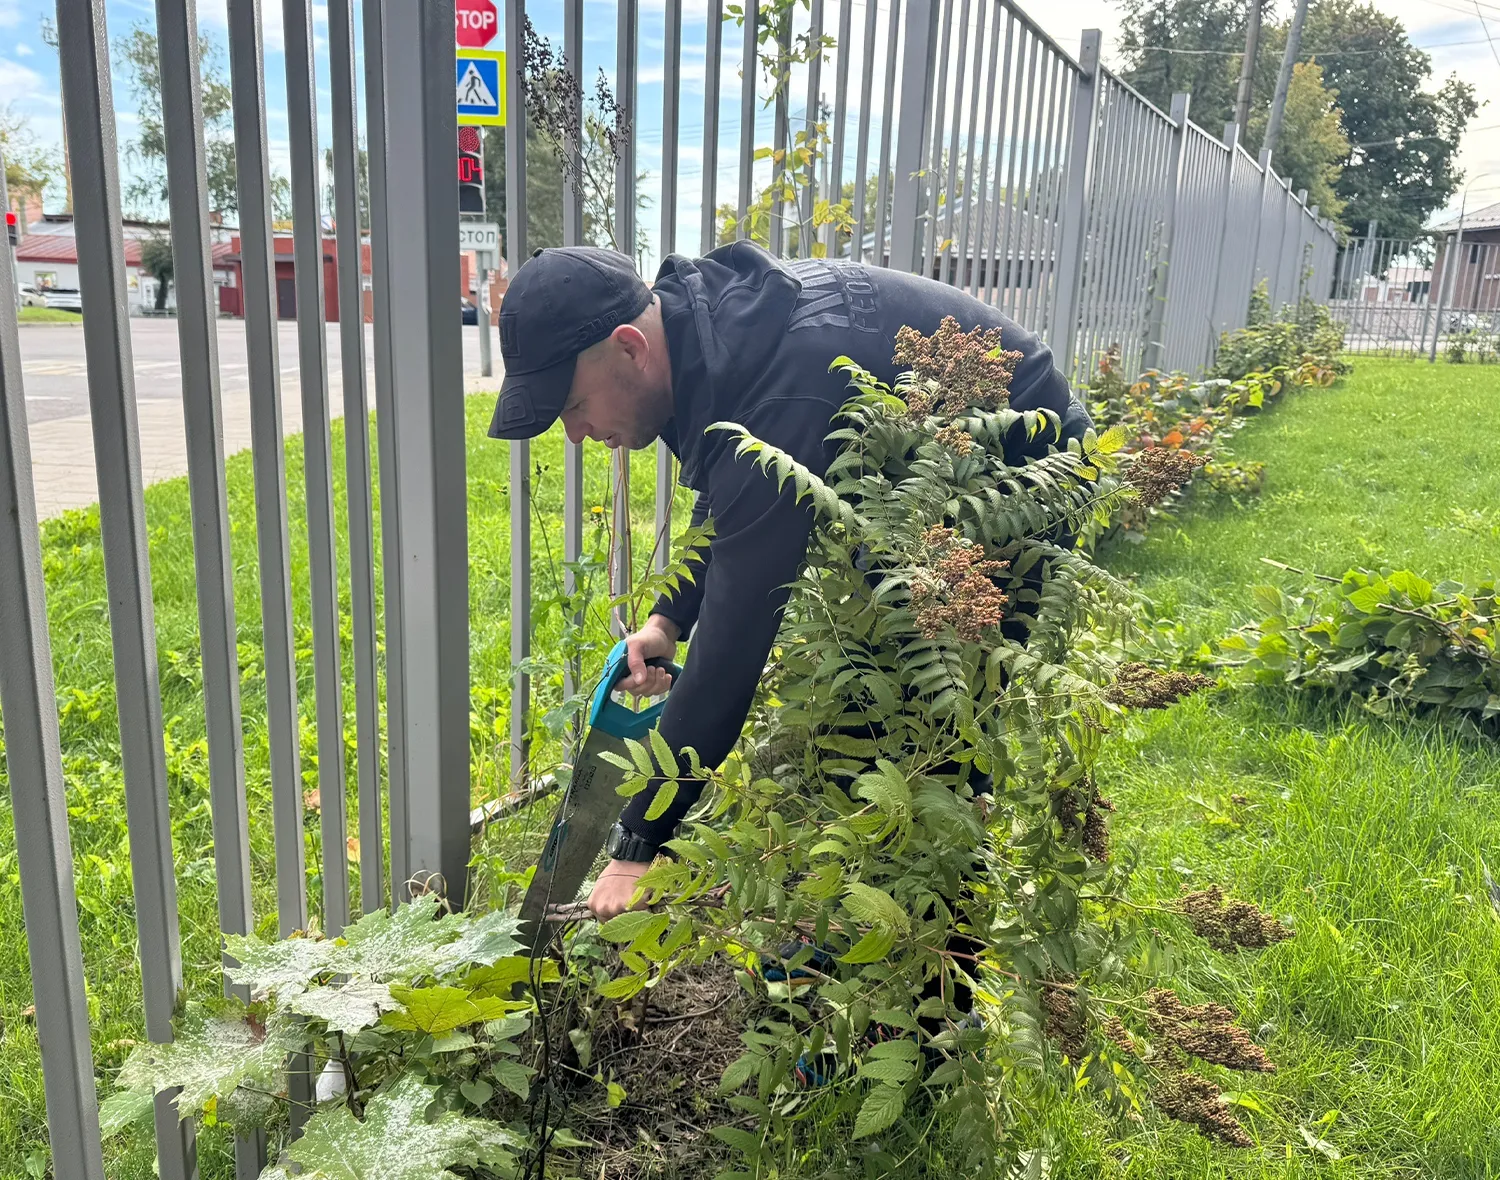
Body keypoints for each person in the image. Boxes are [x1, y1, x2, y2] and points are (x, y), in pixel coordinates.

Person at [487, 241, 1092, 921]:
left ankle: (937, 952)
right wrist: (668, 620)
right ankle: (860, 919)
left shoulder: (781, 385)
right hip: (930, 479)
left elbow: (736, 637)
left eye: (572, 405)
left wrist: (637, 843)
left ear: (631, 348)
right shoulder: (706, 337)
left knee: (936, 723)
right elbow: (733, 488)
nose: (574, 433)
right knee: (870, 708)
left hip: (1022, 475)